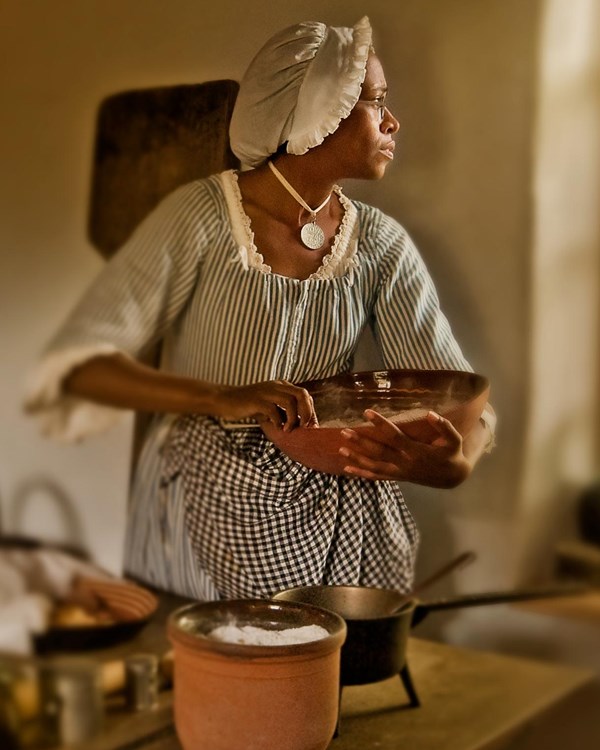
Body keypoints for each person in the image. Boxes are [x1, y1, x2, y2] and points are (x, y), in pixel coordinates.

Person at [25, 17, 495, 601]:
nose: (393, 122)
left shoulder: (379, 243)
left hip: (338, 497)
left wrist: (455, 462)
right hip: (205, 493)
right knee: (228, 669)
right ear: (316, 113)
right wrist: (222, 397)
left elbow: (454, 394)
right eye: (375, 103)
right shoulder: (200, 219)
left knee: (336, 671)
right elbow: (81, 365)